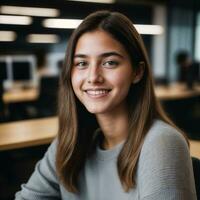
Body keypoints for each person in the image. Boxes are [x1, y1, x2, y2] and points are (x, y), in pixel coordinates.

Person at [15, 11, 197, 199]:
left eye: (110, 62)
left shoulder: (162, 143)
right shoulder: (69, 144)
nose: (93, 77)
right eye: (82, 63)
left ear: (137, 72)